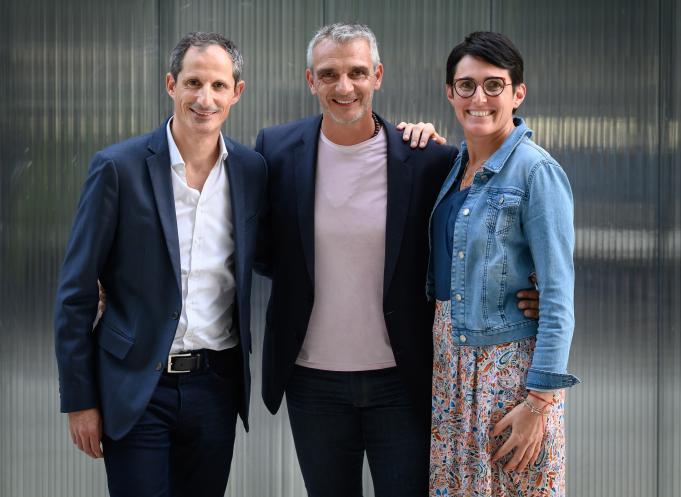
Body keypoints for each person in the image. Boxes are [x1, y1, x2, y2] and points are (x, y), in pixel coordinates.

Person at [254, 23, 539, 497]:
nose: (344, 87)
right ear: (311, 81)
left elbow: (466, 241)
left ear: (378, 76)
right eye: (329, 74)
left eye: (357, 72)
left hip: (402, 380)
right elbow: (260, 250)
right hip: (312, 381)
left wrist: (531, 285)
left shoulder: (426, 158)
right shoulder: (277, 150)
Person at [53, 32, 266, 497]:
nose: (204, 98)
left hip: (216, 386)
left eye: (217, 85)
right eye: (193, 82)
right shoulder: (117, 168)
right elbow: (75, 292)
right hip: (137, 387)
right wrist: (80, 399)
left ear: (237, 92)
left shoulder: (251, 171)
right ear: (171, 85)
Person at [428, 31, 580, 496]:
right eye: (466, 85)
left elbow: (557, 295)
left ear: (518, 93)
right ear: (451, 93)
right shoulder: (454, 166)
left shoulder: (536, 171)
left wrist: (539, 402)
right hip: (450, 372)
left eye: (494, 85)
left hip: (508, 376)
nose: (480, 98)